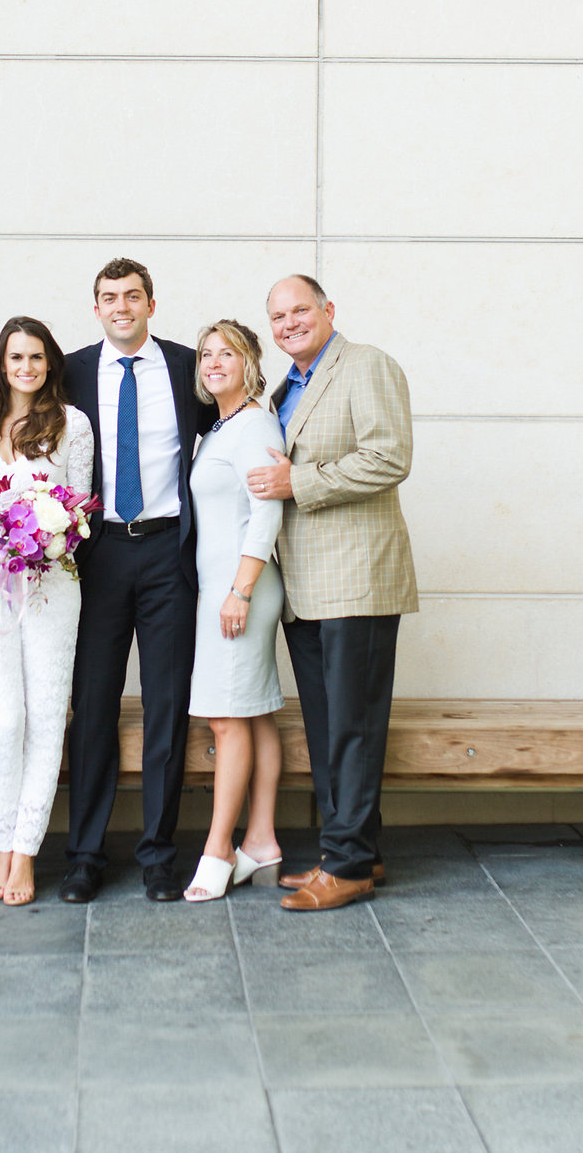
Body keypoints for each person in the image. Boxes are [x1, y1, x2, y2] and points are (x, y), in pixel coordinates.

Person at [248, 274, 418, 912]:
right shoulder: (285, 388)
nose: (289, 323)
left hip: (358, 580)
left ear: (328, 311)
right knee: (327, 727)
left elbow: (389, 456)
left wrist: (301, 482)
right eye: (278, 316)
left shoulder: (367, 365)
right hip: (307, 588)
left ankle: (345, 866)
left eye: (300, 310)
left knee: (352, 726)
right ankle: (355, 853)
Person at [59, 258, 212, 903]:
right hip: (97, 558)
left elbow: (233, 425)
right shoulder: (68, 370)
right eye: (108, 297)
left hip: (165, 554)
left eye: (131, 296)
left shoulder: (185, 367)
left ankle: (157, 853)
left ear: (152, 302)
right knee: (91, 708)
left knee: (165, 709)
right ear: (95, 307)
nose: (120, 306)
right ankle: (86, 855)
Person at [0, 317, 94, 907]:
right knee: (6, 719)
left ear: (50, 363)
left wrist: (51, 531)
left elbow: (83, 509)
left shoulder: (73, 425)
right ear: (1, 363)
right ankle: (0, 838)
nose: (26, 368)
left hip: (51, 591)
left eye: (37, 357)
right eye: (16, 358)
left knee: (45, 717)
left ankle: (25, 851)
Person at [183, 321, 286, 902]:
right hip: (226, 585)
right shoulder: (222, 427)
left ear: (251, 362)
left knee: (225, 718)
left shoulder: (255, 423)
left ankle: (219, 849)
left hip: (241, 586)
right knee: (254, 714)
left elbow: (266, 509)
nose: (214, 362)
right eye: (206, 354)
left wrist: (241, 589)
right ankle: (263, 840)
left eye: (229, 353)